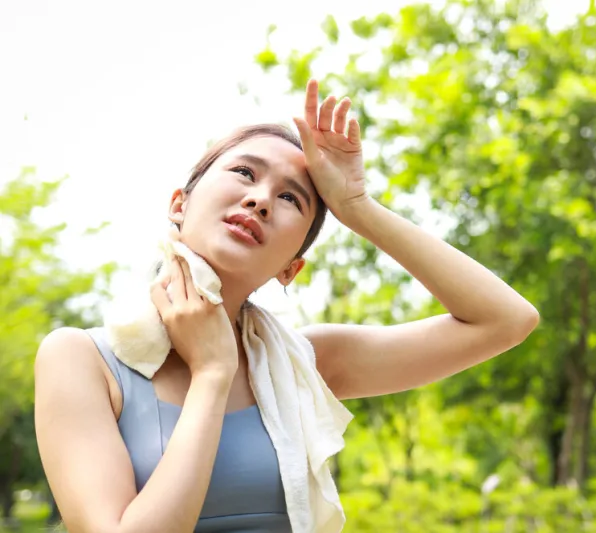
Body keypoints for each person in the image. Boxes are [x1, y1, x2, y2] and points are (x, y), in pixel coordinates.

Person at [33, 79, 539, 533]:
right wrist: (212, 373)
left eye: (292, 198)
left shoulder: (302, 364)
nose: (260, 200)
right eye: (244, 172)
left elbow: (507, 320)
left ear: (290, 269)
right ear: (178, 204)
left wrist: (358, 207)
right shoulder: (82, 360)